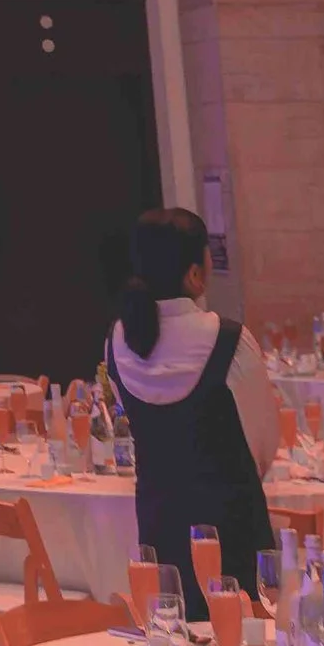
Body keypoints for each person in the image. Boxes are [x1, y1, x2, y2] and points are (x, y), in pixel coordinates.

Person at [106, 204, 279, 614]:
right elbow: (264, 442)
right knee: (241, 639)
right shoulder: (227, 339)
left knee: (174, 629)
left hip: (158, 519)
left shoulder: (118, 339)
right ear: (195, 274)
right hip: (231, 522)